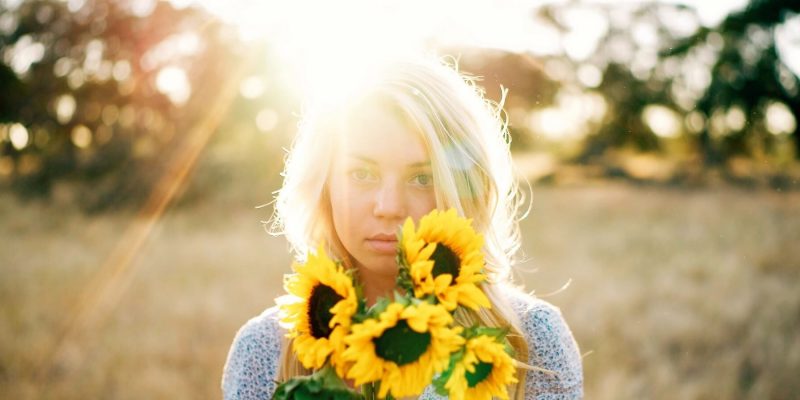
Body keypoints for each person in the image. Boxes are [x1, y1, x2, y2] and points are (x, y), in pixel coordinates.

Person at [221, 56, 583, 399]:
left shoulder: (532, 342)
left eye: (422, 178)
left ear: (467, 190)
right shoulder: (264, 351)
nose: (389, 207)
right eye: (362, 174)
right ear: (323, 185)